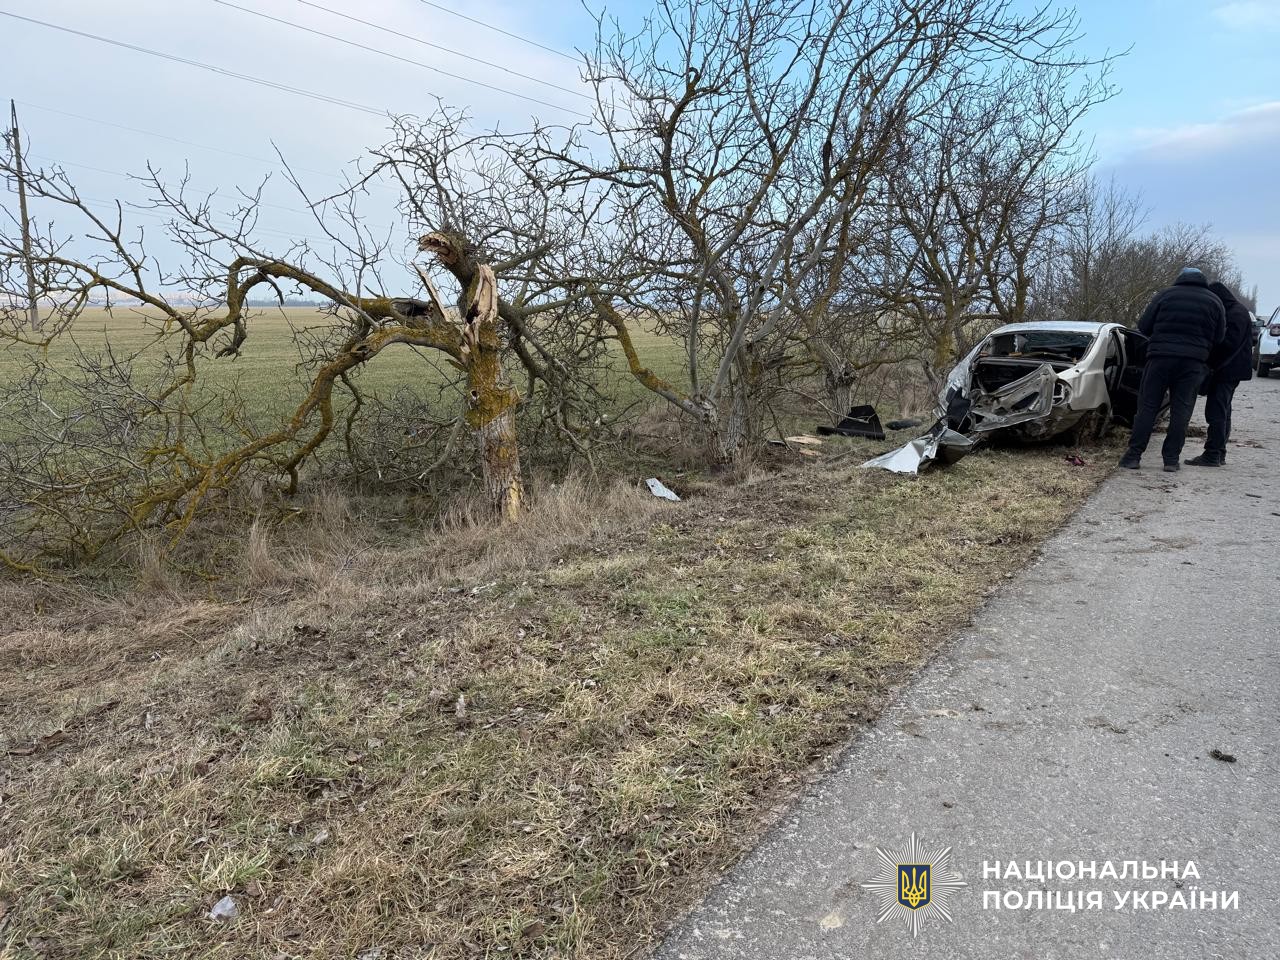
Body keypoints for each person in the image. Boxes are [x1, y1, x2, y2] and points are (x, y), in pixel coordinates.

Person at [1120, 267, 1226, 472]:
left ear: (1180, 279)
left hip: (1160, 359)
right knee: (1181, 411)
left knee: (1147, 407)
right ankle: (1171, 460)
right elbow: (1219, 337)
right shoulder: (1214, 301)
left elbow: (1144, 327)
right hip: (1193, 364)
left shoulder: (1165, 295)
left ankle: (1133, 456)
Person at [1185, 282, 1254, 466]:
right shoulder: (1238, 311)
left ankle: (1212, 453)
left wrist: (1208, 354)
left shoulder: (1235, 314)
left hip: (1226, 371)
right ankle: (1219, 452)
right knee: (1223, 411)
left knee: (1216, 412)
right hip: (1231, 370)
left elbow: (1228, 344)